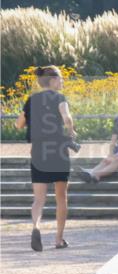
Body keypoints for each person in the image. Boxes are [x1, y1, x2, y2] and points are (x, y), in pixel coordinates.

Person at [14, 66, 75, 251]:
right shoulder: (60, 98)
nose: (63, 81)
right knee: (61, 197)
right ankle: (58, 239)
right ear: (53, 80)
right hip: (58, 152)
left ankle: (36, 226)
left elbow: (18, 124)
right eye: (61, 78)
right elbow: (67, 118)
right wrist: (71, 132)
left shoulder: (31, 100)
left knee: (39, 199)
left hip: (39, 152)